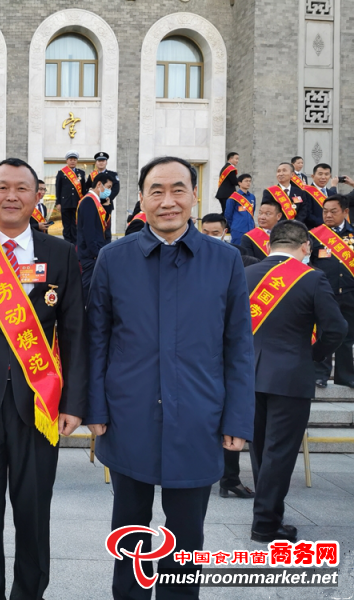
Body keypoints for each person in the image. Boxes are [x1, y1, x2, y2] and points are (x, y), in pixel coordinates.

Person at [87, 156, 255, 600]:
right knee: (129, 532)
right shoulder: (113, 258)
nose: (168, 201)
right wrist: (95, 409)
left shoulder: (225, 261)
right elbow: (96, 340)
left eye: (178, 189)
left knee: (186, 539)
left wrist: (238, 419)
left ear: (194, 195)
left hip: (199, 418)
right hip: (129, 417)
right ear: (141, 198)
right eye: (156, 190)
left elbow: (238, 345)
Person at [0, 157, 86, 600]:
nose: (11, 195)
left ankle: (30, 593)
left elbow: (75, 331)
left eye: (21, 188)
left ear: (38, 196)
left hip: (39, 403)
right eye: (2, 187)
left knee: (33, 511)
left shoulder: (61, 253)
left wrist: (73, 402)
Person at [246, 219, 345, 542]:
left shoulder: (245, 275)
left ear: (270, 244)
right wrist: (312, 356)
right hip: (290, 377)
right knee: (281, 451)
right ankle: (265, 522)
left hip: (248, 375)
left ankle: (266, 515)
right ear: (306, 247)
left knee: (260, 448)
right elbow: (336, 329)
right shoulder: (312, 278)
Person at [199, 214, 257, 499]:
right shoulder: (191, 257)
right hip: (200, 355)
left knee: (228, 421)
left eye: (215, 232)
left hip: (225, 355)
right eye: (205, 231)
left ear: (225, 232)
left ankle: (229, 478)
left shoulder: (237, 259)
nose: (210, 236)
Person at [309, 195, 354, 389]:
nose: (328, 215)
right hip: (325, 293)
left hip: (350, 293)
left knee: (348, 336)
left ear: (345, 212)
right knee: (324, 333)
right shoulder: (314, 235)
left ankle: (345, 376)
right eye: (325, 211)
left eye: (333, 211)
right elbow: (307, 262)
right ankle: (320, 374)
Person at [77, 171, 112, 297]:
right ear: (99, 184)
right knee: (88, 289)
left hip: (94, 253)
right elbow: (89, 231)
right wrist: (96, 253)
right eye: (108, 187)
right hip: (91, 255)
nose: (109, 191)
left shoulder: (96, 202)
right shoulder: (88, 201)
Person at [86, 152, 120, 240]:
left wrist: (108, 198)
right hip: (94, 204)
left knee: (106, 227)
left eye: (103, 161)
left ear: (106, 162)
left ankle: (107, 246)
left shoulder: (112, 174)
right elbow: (87, 188)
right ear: (96, 162)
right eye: (99, 161)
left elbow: (116, 189)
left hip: (106, 204)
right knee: (95, 225)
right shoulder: (92, 175)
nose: (101, 163)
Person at [55, 151, 85, 244]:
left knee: (76, 225)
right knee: (67, 225)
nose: (72, 161)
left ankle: (76, 245)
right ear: (67, 161)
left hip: (77, 202)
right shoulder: (61, 173)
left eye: (74, 160)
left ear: (77, 161)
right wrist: (58, 203)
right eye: (70, 159)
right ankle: (67, 244)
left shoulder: (81, 173)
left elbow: (83, 189)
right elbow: (58, 188)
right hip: (65, 203)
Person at [224, 173, 256, 245]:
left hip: (250, 228)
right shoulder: (233, 197)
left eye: (249, 181)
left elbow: (252, 211)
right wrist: (234, 226)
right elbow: (228, 214)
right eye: (246, 181)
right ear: (239, 183)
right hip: (238, 229)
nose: (248, 183)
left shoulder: (252, 197)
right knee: (237, 248)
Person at [303, 163, 337, 229]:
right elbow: (307, 214)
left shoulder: (332, 194)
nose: (323, 177)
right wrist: (325, 224)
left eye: (326, 174)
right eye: (320, 174)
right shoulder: (305, 192)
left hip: (331, 230)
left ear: (330, 176)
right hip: (313, 231)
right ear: (313, 176)